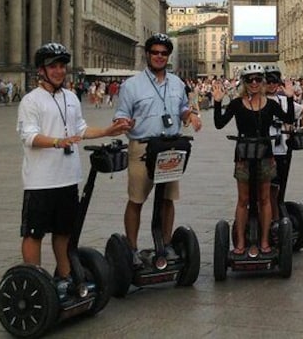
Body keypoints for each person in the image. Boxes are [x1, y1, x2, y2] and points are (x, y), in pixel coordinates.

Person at [17, 42, 130, 289]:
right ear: (41, 70)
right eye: (53, 66)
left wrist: (108, 130)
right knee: (33, 233)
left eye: (62, 66)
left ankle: (67, 278)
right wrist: (58, 141)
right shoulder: (31, 101)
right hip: (41, 180)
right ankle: (35, 282)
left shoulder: (70, 97)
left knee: (64, 232)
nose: (59, 71)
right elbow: (29, 136)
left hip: (68, 178)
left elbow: (80, 130)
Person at [113, 33, 202, 266]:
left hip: (169, 148)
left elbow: (182, 107)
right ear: (147, 55)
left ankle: (166, 243)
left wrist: (189, 115)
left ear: (168, 56)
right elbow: (121, 115)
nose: (159, 57)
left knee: (168, 199)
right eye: (155, 53)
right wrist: (124, 123)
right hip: (142, 147)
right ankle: (131, 249)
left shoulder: (177, 83)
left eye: (164, 53)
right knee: (136, 199)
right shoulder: (131, 85)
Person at [213, 63, 300, 256]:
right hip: (243, 155)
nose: (254, 83)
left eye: (258, 79)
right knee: (243, 199)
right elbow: (219, 124)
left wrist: (291, 98)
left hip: (265, 155)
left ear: (262, 82)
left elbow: (289, 119)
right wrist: (217, 102)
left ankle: (264, 240)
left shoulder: (270, 104)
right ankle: (241, 242)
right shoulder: (237, 103)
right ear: (244, 82)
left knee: (264, 199)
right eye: (250, 79)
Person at [262, 64, 303, 219]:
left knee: (276, 188)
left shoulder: (283, 100)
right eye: (268, 81)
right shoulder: (257, 101)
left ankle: (276, 219)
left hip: (282, 149)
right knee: (264, 187)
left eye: (275, 81)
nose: (271, 85)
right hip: (263, 150)